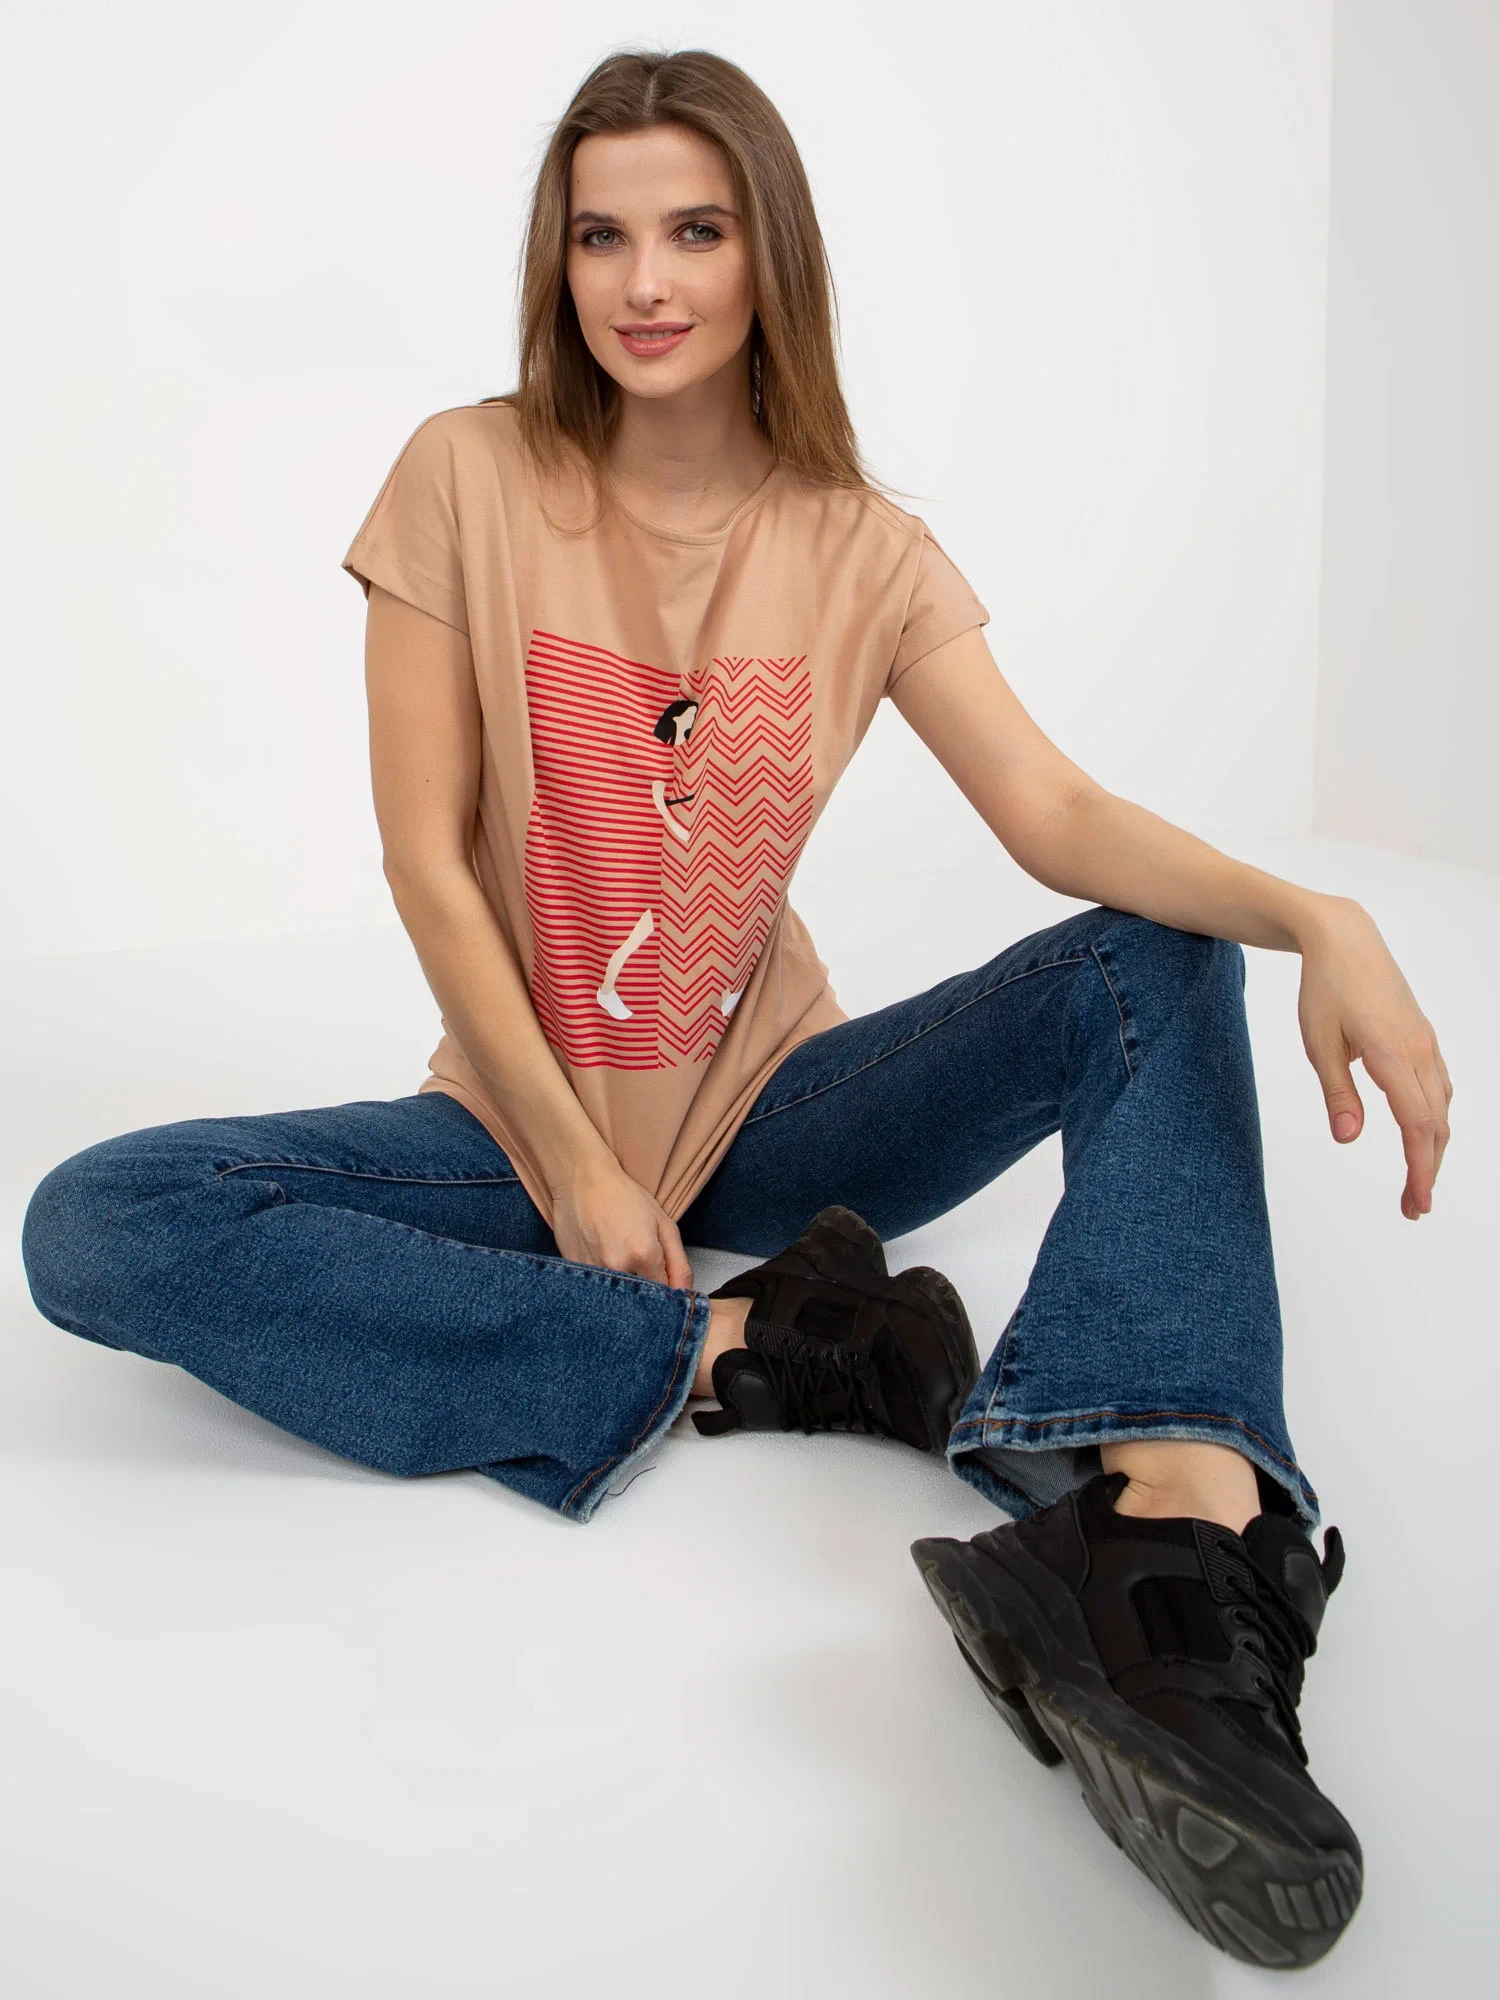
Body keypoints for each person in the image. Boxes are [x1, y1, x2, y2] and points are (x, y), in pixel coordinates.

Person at [20, 46, 1450, 1973]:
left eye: (695, 230)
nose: (645, 281)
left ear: (770, 253)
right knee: (99, 1220)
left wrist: (1313, 912)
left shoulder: (862, 548)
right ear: (557, 261)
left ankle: (1164, 1541)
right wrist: (573, 1171)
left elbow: (1054, 815)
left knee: (1155, 953)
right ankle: (750, 1345)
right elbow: (429, 862)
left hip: (782, 1108)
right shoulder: (465, 477)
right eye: (600, 235)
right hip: (510, 1125)